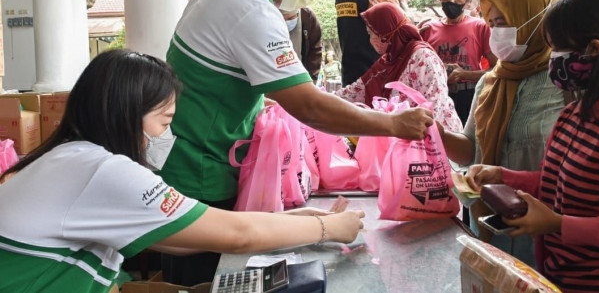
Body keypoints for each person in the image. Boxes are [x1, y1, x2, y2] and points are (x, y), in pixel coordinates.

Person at [162, 0, 433, 283]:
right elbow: (309, 105)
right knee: (210, 280)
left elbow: (229, 79)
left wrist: (261, 102)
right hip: (203, 171)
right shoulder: (252, 8)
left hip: (192, 158)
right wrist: (392, 125)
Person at [0, 49, 365, 293]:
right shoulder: (103, 171)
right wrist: (327, 228)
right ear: (125, 116)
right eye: (164, 121)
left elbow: (178, 238)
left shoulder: (69, 158)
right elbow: (238, 234)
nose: (166, 135)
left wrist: (299, 219)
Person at [466, 0, 599, 293]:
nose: (553, 60)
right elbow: (559, 183)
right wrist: (504, 176)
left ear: (594, 49)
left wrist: (558, 224)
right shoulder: (576, 112)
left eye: (559, 50)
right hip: (557, 275)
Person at [440, 0, 567, 266]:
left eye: (504, 23)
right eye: (493, 24)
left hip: (544, 230)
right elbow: (470, 149)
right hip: (488, 226)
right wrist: (438, 134)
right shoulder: (489, 81)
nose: (497, 33)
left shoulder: (563, 83)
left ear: (535, 21)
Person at [336, 2, 463, 133]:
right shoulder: (388, 61)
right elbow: (356, 91)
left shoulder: (423, 58)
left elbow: (434, 108)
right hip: (405, 137)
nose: (371, 40)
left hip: (437, 140)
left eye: (372, 34)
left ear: (386, 34)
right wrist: (323, 102)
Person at [420, 0, 497, 124]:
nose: (451, 1)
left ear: (468, 0)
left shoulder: (480, 27)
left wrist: (464, 75)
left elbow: (496, 70)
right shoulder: (427, 29)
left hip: (469, 97)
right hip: (436, 98)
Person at [282, 7, 323, 82]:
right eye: (283, 18)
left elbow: (315, 51)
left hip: (302, 77)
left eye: (291, 18)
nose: (287, 21)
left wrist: (311, 80)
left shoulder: (307, 16)